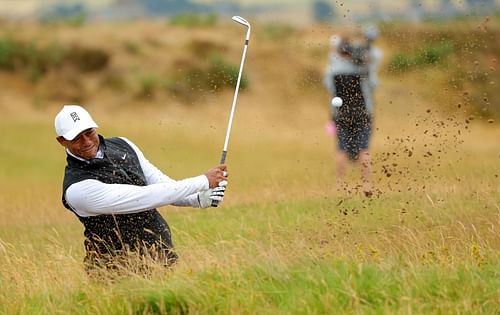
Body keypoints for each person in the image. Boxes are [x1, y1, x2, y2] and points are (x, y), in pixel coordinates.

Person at [54, 105, 228, 272]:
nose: (86, 141)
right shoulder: (77, 188)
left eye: (89, 132)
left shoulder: (123, 144)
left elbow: (161, 184)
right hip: (113, 272)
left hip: (161, 255)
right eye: (77, 138)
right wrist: (203, 181)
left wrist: (197, 199)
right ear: (62, 141)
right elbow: (144, 197)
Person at [324, 26, 382, 192]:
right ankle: (367, 184)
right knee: (364, 149)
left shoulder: (332, 70)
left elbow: (328, 86)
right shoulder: (361, 69)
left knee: (341, 149)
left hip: (341, 114)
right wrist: (363, 54)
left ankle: (340, 185)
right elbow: (373, 85)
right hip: (363, 113)